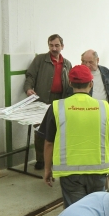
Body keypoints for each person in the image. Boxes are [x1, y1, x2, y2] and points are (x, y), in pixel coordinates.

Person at [37, 65, 109, 208]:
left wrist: (47, 168)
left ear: (70, 83)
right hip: (98, 172)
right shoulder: (104, 107)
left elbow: (48, 143)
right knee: (96, 210)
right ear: (91, 84)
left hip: (70, 174)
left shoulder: (57, 107)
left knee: (75, 213)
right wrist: (103, 156)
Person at [24, 34, 73, 170]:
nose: (54, 48)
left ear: (62, 46)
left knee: (59, 130)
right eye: (51, 45)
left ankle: (55, 158)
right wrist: (28, 89)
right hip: (43, 99)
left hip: (60, 100)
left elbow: (71, 82)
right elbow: (30, 76)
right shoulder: (40, 60)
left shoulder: (67, 64)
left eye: (57, 45)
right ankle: (41, 160)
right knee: (40, 131)